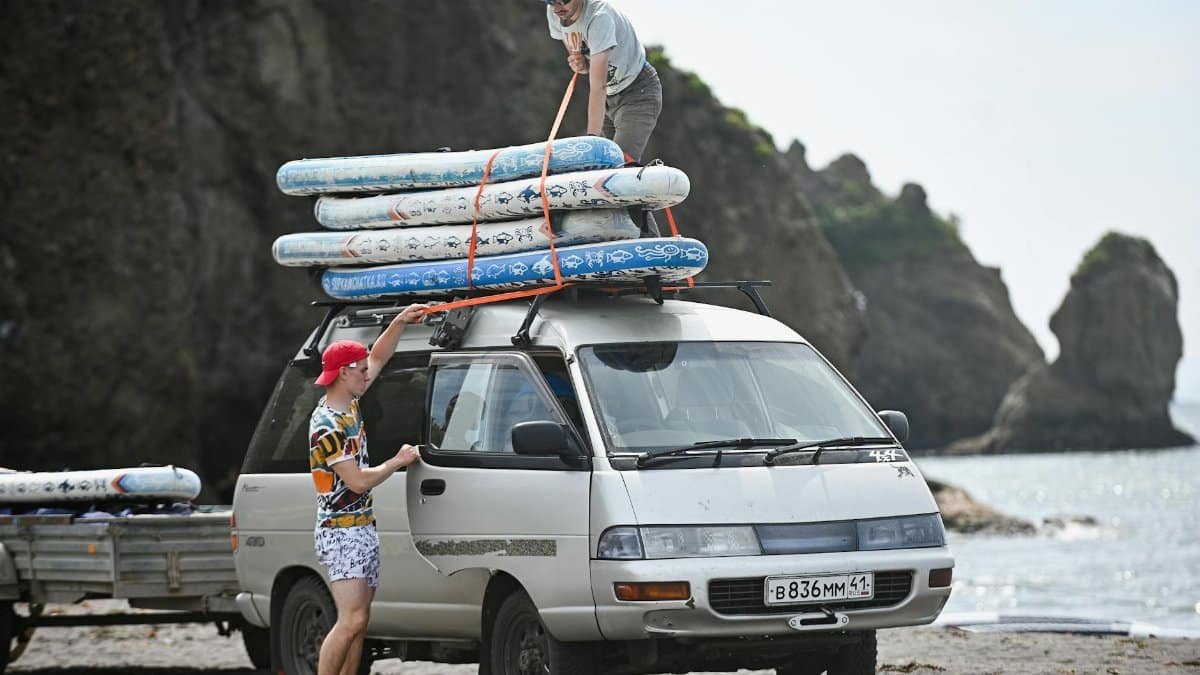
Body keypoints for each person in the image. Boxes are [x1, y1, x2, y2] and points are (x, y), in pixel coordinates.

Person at [308, 304, 425, 675]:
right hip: (341, 533)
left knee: (360, 624)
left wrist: (400, 322)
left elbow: (378, 355)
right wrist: (398, 461)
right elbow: (356, 481)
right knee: (350, 622)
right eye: (359, 372)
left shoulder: (349, 401)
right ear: (343, 374)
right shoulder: (327, 424)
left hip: (361, 527)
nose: (367, 375)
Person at [546, 0, 663, 236]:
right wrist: (581, 62)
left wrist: (591, 140)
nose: (557, 7)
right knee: (599, 172)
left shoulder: (600, 18)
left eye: (564, 0)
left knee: (622, 172)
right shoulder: (555, 14)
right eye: (550, 0)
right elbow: (577, 51)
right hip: (609, 95)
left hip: (638, 92)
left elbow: (596, 87)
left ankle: (653, 252)